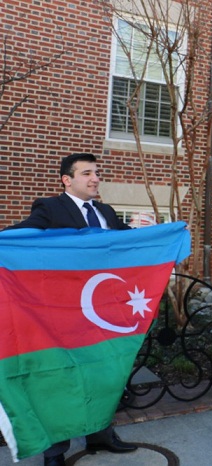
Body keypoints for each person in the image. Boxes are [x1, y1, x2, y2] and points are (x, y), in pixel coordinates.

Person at [6, 153, 137, 466]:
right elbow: (23, 236)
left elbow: (122, 244)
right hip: (62, 316)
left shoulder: (105, 211)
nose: (95, 179)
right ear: (67, 179)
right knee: (59, 381)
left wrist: (158, 234)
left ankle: (101, 435)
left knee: (104, 373)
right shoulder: (50, 208)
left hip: (104, 313)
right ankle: (55, 452)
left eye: (97, 173)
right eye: (87, 173)